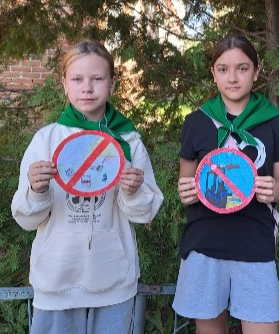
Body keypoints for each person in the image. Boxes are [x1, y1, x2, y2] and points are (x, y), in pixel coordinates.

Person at [11, 40, 164, 334]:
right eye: (77, 79)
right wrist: (36, 190)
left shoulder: (127, 141)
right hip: (56, 282)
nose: (87, 87)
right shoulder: (46, 140)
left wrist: (132, 191)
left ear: (112, 84)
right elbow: (25, 218)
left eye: (97, 78)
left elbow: (145, 213)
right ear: (65, 85)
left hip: (113, 281)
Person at [173, 36, 279, 334]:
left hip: (254, 239)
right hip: (205, 240)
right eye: (223, 69)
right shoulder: (197, 122)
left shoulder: (274, 121)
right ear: (213, 74)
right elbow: (186, 182)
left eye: (242, 68)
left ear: (255, 72)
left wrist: (273, 190)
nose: (232, 77)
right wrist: (185, 191)